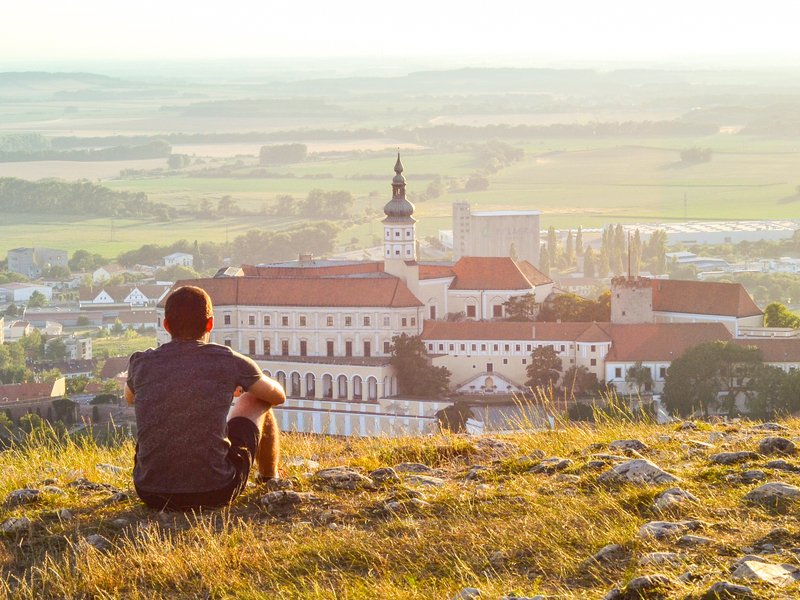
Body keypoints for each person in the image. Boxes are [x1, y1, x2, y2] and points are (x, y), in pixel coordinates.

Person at [124, 285, 285, 511]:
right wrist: (240, 383)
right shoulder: (228, 360)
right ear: (210, 323)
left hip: (150, 492)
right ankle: (269, 478)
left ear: (166, 325)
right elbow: (277, 396)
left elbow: (129, 398)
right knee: (256, 399)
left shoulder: (141, 362)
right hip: (215, 490)